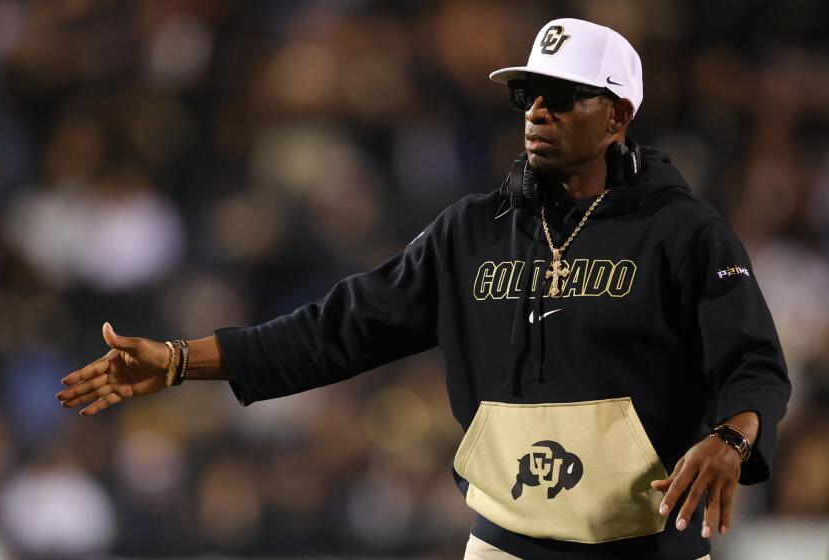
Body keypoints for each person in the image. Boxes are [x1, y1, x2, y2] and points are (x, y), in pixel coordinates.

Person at [56, 17, 791, 560]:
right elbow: (335, 329)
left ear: (617, 117)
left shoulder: (684, 232)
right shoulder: (471, 231)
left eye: (562, 98)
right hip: (505, 542)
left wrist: (732, 436)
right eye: (529, 95)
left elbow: (753, 362)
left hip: (642, 546)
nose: (537, 111)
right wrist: (183, 361)